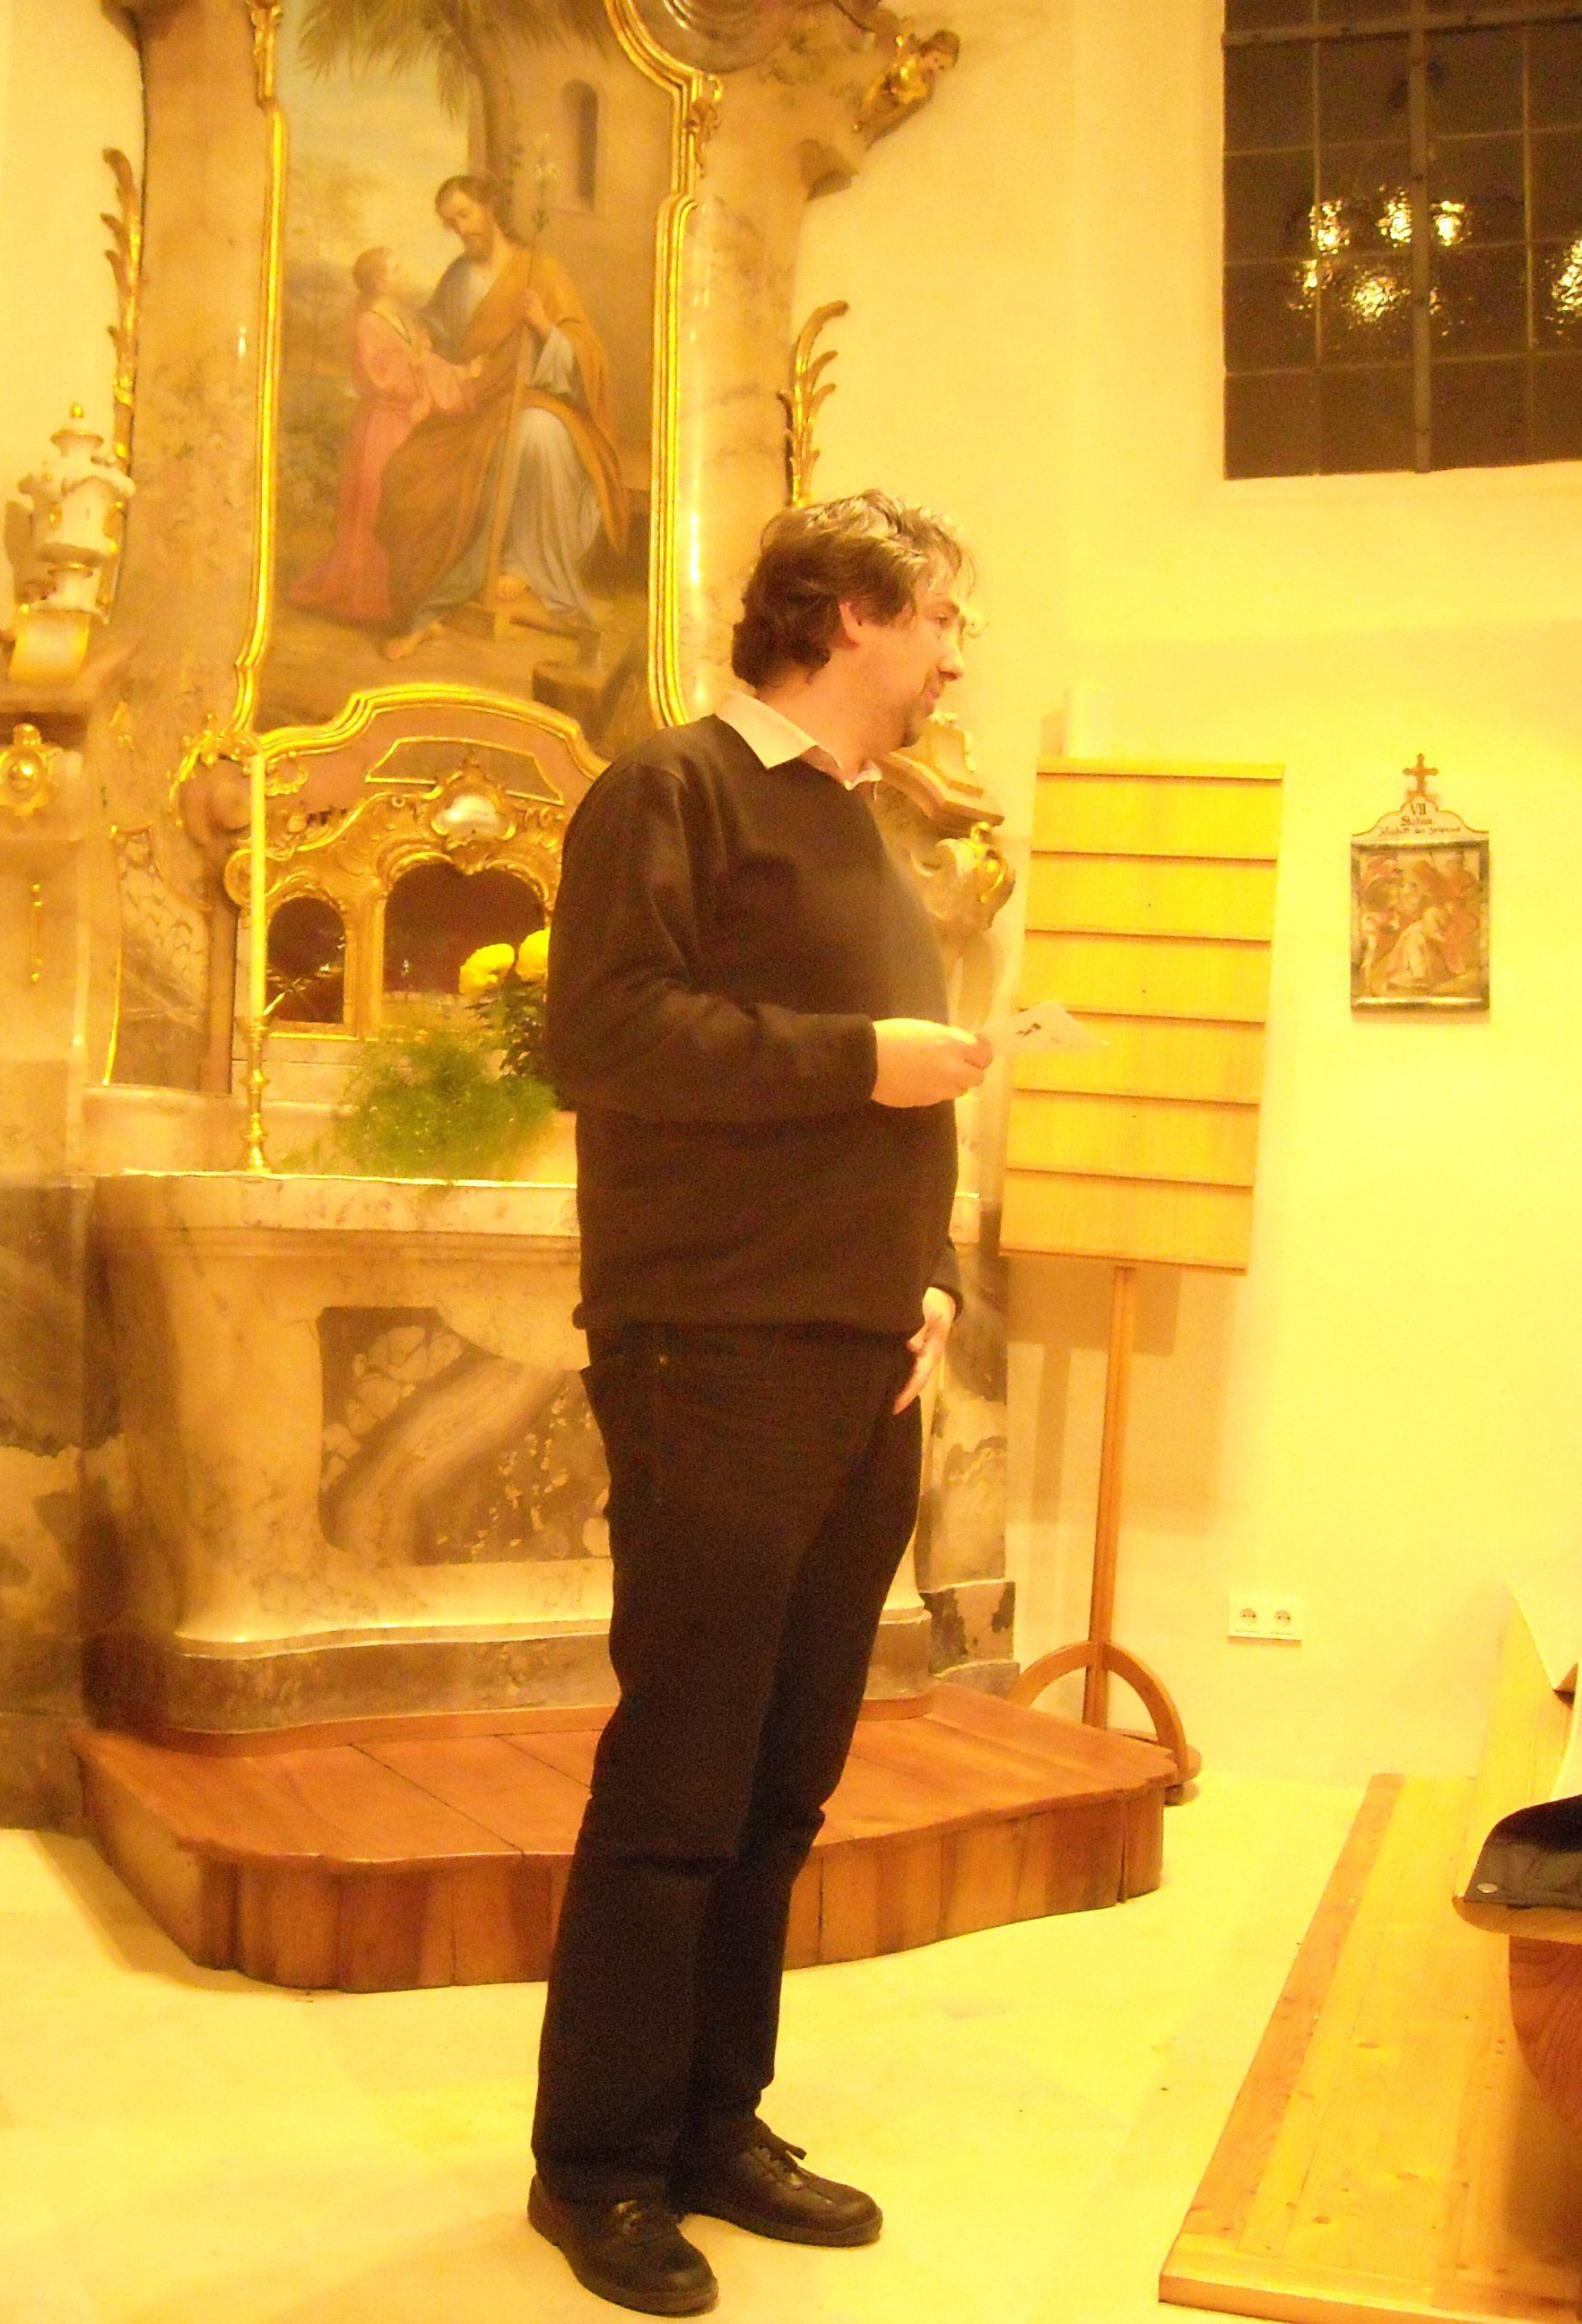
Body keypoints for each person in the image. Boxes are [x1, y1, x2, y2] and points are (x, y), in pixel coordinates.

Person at [530, 490, 991, 2315]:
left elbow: (900, 1111)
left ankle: (716, 2121)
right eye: (940, 617)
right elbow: (607, 1034)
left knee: (785, 1780)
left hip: (861, 1356)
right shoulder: (672, 789)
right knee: (685, 1772)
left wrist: (930, 1272)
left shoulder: (856, 820)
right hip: (712, 1348)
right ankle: (598, 2162)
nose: (956, 653)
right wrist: (862, 1061)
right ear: (850, 614)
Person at [377, 174, 626, 659]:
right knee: (407, 472)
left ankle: (523, 560)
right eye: (450, 222)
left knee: (535, 433)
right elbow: (439, 331)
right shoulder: (458, 276)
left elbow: (590, 357)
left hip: (538, 399)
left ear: (490, 208)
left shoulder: (541, 273)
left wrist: (544, 327)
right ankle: (421, 607)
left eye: (464, 215)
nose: (459, 228)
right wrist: (420, 337)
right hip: (474, 406)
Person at [290, 247, 472, 627]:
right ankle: (365, 595)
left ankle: (398, 593)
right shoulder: (367, 323)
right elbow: (380, 377)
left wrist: (462, 374)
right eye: (395, 269)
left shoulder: (399, 317)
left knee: (400, 506)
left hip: (405, 424)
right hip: (380, 427)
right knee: (374, 505)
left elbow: (423, 363)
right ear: (378, 281)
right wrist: (416, 361)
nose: (402, 273)